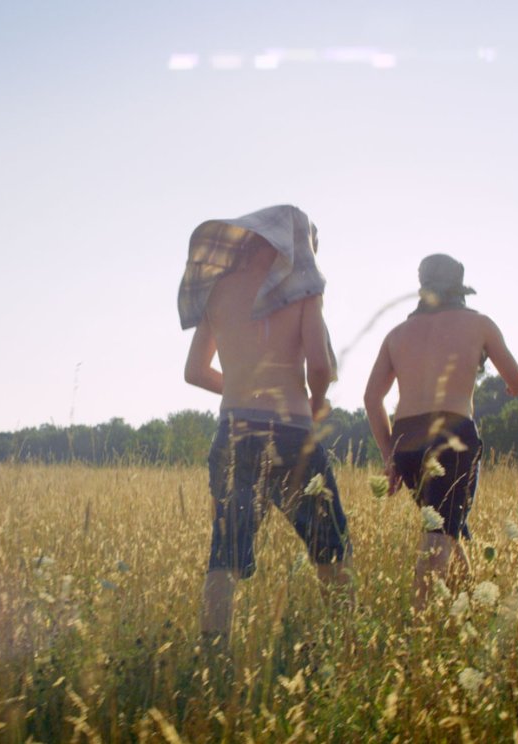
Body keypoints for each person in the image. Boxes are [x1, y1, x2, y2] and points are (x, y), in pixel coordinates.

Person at [178, 205, 354, 650]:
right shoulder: (302, 290)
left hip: (234, 431)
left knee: (225, 552)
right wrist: (314, 406)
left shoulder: (218, 291)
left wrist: (242, 390)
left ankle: (212, 656)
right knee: (330, 547)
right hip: (293, 433)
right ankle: (349, 645)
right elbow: (320, 365)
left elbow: (195, 372)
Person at [362, 253, 518, 610]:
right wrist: (514, 386)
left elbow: (371, 398)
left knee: (449, 526)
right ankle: (419, 624)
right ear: (460, 288)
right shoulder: (480, 324)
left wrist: (390, 456)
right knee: (439, 533)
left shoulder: (397, 334)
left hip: (406, 440)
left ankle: (470, 607)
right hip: (452, 436)